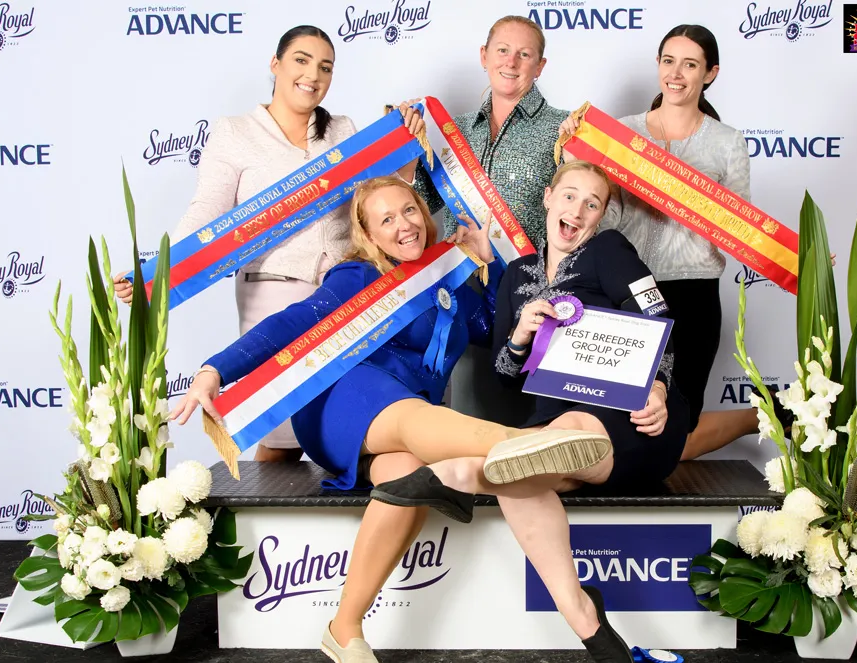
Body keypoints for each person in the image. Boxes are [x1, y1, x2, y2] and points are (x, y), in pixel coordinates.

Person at [170, 175, 612, 663]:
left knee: (405, 478)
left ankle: (344, 628)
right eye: (387, 219)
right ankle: (518, 443)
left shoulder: (448, 276)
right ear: (369, 235)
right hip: (346, 397)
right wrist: (216, 369)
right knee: (408, 417)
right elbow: (288, 324)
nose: (405, 225)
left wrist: (489, 262)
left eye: (409, 211)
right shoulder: (355, 276)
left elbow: (492, 327)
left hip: (410, 415)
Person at [370, 161, 689, 663]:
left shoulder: (608, 251)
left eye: (593, 203)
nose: (577, 210)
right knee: (521, 472)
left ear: (602, 215)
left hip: (629, 419)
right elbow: (502, 371)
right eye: (569, 196)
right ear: (547, 198)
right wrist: (520, 335)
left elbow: (658, 317)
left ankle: (455, 474)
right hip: (549, 428)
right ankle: (586, 618)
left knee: (545, 445)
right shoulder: (516, 274)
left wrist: (661, 387)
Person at [115, 26, 423, 462]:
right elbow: (207, 213)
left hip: (347, 292)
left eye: (325, 67)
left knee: (350, 422)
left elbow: (380, 203)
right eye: (301, 60)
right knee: (279, 434)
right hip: (272, 290)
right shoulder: (235, 132)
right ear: (276, 65)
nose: (312, 74)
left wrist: (405, 143)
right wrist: (155, 275)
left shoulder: (344, 130)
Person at [559, 24, 797, 459]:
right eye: (669, 61)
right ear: (658, 66)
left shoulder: (728, 143)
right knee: (617, 427)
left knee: (674, 436)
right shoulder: (619, 134)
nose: (677, 73)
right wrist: (578, 158)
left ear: (710, 74)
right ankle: (755, 415)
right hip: (625, 293)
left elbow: (741, 228)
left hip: (693, 294)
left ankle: (756, 416)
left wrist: (802, 259)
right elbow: (605, 217)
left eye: (690, 64)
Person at [396, 14, 570, 427]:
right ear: (484, 56)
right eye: (503, 51)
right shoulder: (453, 133)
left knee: (528, 425)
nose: (512, 62)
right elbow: (416, 205)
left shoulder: (563, 130)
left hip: (535, 291)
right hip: (465, 289)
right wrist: (404, 148)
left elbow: (582, 211)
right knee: (471, 416)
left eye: (525, 54)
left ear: (540, 65)